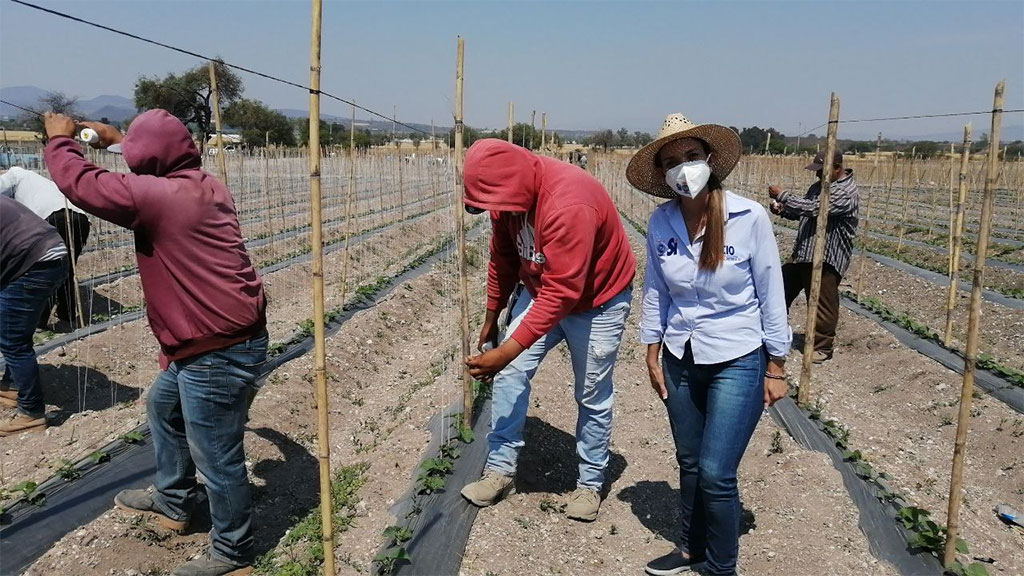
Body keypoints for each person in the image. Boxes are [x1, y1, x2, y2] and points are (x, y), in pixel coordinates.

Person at [43, 110, 267, 576]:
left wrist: (62, 142)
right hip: (209, 339)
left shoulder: (158, 197)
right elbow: (152, 158)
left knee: (218, 454)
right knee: (164, 410)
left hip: (215, 348)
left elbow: (83, 186)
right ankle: (174, 500)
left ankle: (233, 551)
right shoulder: (203, 184)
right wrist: (118, 139)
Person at [627, 113, 790, 576]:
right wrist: (652, 347)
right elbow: (656, 287)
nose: (684, 167)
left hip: (737, 357)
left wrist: (776, 365)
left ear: (709, 159)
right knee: (690, 460)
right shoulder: (661, 222)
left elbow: (769, 291)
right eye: (672, 161)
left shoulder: (748, 217)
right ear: (662, 174)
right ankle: (690, 548)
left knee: (718, 472)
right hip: (681, 355)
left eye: (692, 156)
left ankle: (721, 568)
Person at [460, 139, 636, 522]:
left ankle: (590, 483)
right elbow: (504, 257)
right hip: (540, 289)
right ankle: (500, 470)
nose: (496, 213)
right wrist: (492, 317)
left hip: (597, 300)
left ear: (516, 184)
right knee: (510, 376)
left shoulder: (569, 203)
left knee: (591, 391)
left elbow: (564, 292)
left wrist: (506, 350)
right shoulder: (505, 198)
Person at [768, 149, 859, 363]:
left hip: (826, 257)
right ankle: (774, 334)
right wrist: (783, 209)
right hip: (804, 252)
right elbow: (804, 211)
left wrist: (783, 195)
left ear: (837, 168)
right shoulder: (818, 187)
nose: (818, 175)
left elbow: (817, 208)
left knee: (822, 302)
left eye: (822, 170)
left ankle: (822, 346)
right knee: (777, 290)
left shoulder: (846, 192)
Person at [0, 196, 69, 435]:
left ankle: (31, 413)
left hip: (34, 263)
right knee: (14, 331)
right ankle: (12, 386)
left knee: (13, 341)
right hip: (47, 255)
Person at [1, 166, 91, 328]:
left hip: (54, 217)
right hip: (80, 219)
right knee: (67, 268)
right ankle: (67, 313)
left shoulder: (15, 174)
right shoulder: (41, 182)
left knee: (45, 270)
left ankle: (39, 320)